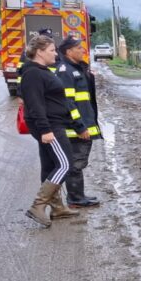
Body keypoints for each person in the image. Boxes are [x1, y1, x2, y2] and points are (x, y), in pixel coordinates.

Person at [19, 35, 90, 227]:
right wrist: (45, 130)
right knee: (65, 164)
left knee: (50, 166)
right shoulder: (33, 73)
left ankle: (57, 208)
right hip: (50, 126)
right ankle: (38, 205)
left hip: (54, 124)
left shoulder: (42, 71)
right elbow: (35, 105)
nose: (55, 54)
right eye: (51, 50)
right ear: (40, 52)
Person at [54, 37, 102, 207]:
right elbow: (68, 103)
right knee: (75, 164)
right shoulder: (65, 70)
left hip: (81, 125)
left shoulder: (75, 68)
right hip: (74, 130)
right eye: (79, 48)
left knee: (78, 163)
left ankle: (78, 196)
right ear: (68, 51)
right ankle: (75, 199)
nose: (83, 50)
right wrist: (80, 127)